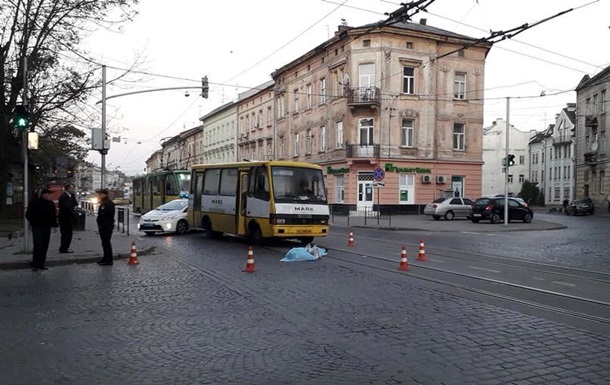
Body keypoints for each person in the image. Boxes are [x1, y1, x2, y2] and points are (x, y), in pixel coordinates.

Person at [25, 188, 58, 271]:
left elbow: (53, 216)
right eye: (49, 194)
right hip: (37, 227)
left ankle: (41, 263)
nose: (50, 196)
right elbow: (28, 214)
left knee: (44, 245)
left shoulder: (51, 204)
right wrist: (33, 223)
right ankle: (36, 263)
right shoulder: (35, 203)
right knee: (38, 245)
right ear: (44, 194)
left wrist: (54, 225)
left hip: (46, 227)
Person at [96, 188, 115, 266]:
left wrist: (101, 223)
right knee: (104, 243)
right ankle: (105, 258)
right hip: (105, 225)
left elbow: (104, 215)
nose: (98, 196)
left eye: (99, 194)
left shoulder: (106, 203)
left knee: (106, 243)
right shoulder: (105, 202)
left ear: (104, 194)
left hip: (106, 226)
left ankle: (108, 260)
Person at [58, 184, 78, 253]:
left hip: (67, 219)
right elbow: (66, 208)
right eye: (72, 188)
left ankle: (65, 247)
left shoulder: (69, 196)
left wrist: (73, 196)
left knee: (68, 234)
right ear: (68, 189)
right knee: (66, 234)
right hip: (65, 219)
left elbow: (75, 204)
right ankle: (64, 248)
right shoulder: (65, 197)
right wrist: (73, 214)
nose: (73, 190)